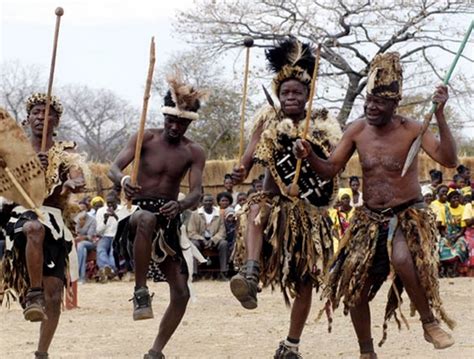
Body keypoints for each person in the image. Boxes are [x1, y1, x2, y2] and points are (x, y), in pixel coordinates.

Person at [294, 53, 457, 357]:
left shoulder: (412, 129)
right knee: (354, 290)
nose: (370, 107)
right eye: (368, 100)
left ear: (395, 104)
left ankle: (429, 322)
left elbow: (449, 160)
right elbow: (331, 169)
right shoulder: (357, 130)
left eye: (378, 103)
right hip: (368, 220)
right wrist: (309, 156)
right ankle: (366, 351)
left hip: (407, 214)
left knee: (403, 258)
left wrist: (441, 115)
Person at [230, 37, 341, 358]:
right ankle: (250, 272)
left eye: (297, 92)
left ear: (308, 95)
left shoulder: (321, 123)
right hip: (272, 203)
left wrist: (308, 154)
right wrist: (238, 172)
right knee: (256, 208)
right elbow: (248, 158)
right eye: (285, 92)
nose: (290, 97)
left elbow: (330, 168)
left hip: (306, 212)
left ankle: (291, 343)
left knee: (305, 281)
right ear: (278, 95)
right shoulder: (268, 121)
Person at [108, 73, 207, 359]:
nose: (175, 127)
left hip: (169, 220)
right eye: (171, 121)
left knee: (182, 294)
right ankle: (141, 291)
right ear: (164, 118)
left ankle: (155, 351)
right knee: (147, 219)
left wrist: (180, 205)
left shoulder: (193, 151)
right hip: (138, 214)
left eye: (182, 123)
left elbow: (196, 193)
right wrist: (125, 181)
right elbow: (113, 168)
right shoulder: (145, 137)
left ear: (189, 122)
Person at [1, 95, 87, 359]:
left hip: (54, 220)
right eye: (36, 113)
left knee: (55, 295)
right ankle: (33, 294)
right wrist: (27, 168)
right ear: (27, 120)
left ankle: (42, 352)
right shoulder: (12, 148)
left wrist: (70, 184)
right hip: (19, 214)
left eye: (47, 113)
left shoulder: (65, 152)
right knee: (33, 229)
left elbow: (79, 177)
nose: (41, 117)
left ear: (56, 121)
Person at [187, 194, 228, 280]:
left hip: (214, 240)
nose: (208, 202)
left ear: (213, 202)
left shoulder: (218, 214)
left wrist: (213, 240)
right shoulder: (195, 214)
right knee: (193, 244)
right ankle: (194, 274)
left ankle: (223, 272)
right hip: (200, 240)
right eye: (206, 201)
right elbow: (191, 232)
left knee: (224, 244)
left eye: (210, 200)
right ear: (202, 202)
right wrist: (202, 239)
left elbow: (222, 232)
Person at [438, 190, 467, 277]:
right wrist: (446, 236)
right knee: (442, 246)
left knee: (460, 247)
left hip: (459, 234)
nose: (456, 199)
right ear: (449, 200)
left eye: (458, 197)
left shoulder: (463, 208)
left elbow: (463, 227)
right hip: (447, 234)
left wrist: (457, 236)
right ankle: (444, 270)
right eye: (454, 198)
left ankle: (454, 271)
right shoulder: (443, 209)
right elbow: (441, 227)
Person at [94, 190, 121, 282]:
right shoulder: (101, 211)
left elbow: (125, 226)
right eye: (108, 203)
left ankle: (110, 270)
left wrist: (116, 216)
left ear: (116, 201)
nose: (109, 206)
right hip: (105, 236)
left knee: (112, 252)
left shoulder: (122, 210)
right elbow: (98, 231)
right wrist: (105, 220)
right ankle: (106, 269)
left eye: (112, 203)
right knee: (100, 249)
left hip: (118, 236)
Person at [74, 208, 97, 284]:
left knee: (81, 245)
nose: (79, 222)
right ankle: (81, 277)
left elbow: (90, 236)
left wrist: (80, 238)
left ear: (85, 218)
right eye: (79, 220)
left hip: (90, 243)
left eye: (81, 220)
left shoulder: (92, 221)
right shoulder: (77, 218)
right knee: (82, 250)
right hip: (79, 244)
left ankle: (76, 272)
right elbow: (75, 231)